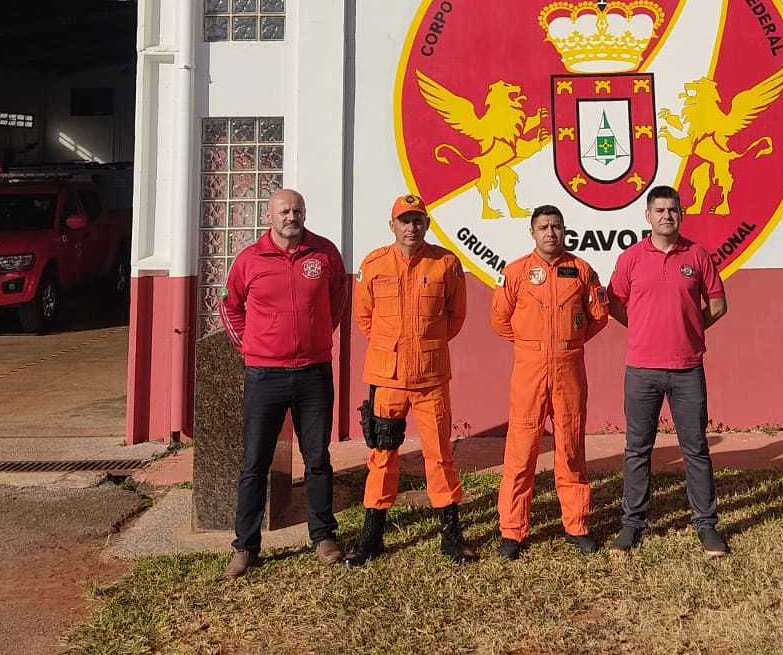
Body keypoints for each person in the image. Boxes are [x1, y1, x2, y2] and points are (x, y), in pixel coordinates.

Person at [221, 187, 350, 580]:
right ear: (269, 216)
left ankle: (323, 536)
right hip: (265, 375)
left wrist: (316, 337)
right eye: (284, 211)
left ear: (304, 214)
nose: (291, 217)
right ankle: (245, 546)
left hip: (313, 373)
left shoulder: (325, 254)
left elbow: (337, 301)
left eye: (297, 211)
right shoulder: (249, 259)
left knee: (318, 459)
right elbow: (230, 306)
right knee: (254, 462)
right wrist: (251, 346)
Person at [348, 193, 476, 565]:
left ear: (427, 224)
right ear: (392, 225)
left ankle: (451, 535)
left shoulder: (445, 263)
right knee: (382, 455)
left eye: (417, 220)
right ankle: (372, 537)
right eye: (404, 220)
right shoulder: (373, 264)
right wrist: (395, 349)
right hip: (387, 378)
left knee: (440, 455)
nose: (411, 227)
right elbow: (365, 318)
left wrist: (424, 347)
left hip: (430, 378)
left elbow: (455, 317)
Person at [607, 183, 730, 556]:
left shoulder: (698, 255)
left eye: (672, 210)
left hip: (687, 369)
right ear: (648, 216)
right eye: (659, 210)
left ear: (681, 214)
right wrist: (643, 328)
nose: (666, 216)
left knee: (696, 449)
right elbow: (615, 304)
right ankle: (632, 525)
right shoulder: (631, 258)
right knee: (637, 450)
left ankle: (707, 526)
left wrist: (690, 330)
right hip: (641, 369)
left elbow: (718, 305)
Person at [490, 205, 609, 559]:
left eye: (556, 226)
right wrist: (532, 346)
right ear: (532, 232)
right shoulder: (515, 272)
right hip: (529, 371)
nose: (550, 233)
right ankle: (512, 531)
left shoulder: (582, 270)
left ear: (565, 230)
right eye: (543, 227)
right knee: (521, 450)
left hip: (569, 369)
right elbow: (499, 319)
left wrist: (567, 343)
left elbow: (599, 316)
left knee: (570, 448)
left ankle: (576, 524)